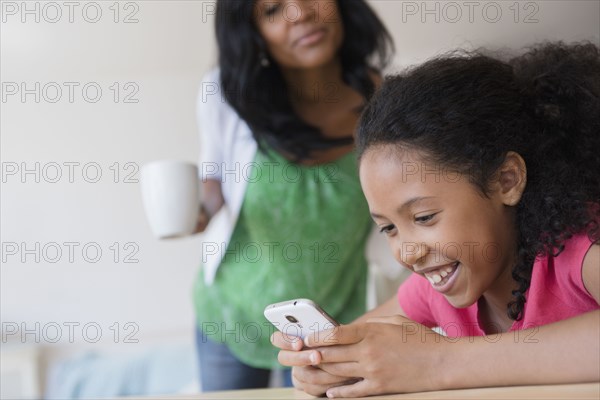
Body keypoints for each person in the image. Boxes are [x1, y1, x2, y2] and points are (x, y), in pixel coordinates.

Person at [272, 41, 600, 398]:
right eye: (389, 228)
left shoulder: (581, 251)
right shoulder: (435, 289)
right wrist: (326, 365)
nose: (408, 252)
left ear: (506, 180)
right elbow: (361, 345)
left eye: (424, 216)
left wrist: (441, 362)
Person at [193, 0, 400, 392]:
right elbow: (213, 185)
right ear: (252, 34)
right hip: (231, 313)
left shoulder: (386, 101)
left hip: (334, 320)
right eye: (272, 10)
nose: (300, 13)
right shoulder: (226, 94)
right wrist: (193, 212)